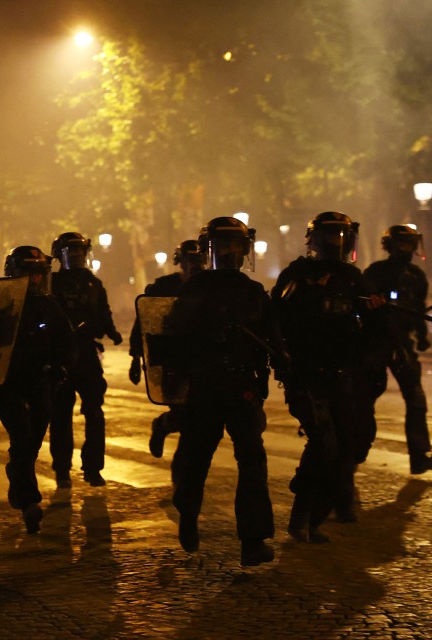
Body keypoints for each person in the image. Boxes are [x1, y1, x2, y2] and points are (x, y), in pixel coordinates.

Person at [154, 218, 281, 566]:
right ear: (211, 249)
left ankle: (253, 541)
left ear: (244, 249)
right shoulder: (193, 290)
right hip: (206, 388)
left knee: (252, 462)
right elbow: (173, 340)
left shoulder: (253, 291)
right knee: (196, 461)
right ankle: (188, 513)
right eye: (221, 245)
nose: (228, 253)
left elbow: (271, 337)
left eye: (234, 246)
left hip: (242, 388)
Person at [272, 211, 385, 543]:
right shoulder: (298, 276)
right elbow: (276, 321)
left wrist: (376, 314)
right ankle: (303, 516)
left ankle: (317, 508)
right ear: (315, 240)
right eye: (330, 236)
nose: (336, 243)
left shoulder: (353, 279)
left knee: (349, 444)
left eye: (341, 236)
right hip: (307, 375)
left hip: (342, 374)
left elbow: (373, 331)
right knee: (324, 443)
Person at [0, 246, 73, 534]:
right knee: (23, 437)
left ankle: (17, 473)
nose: (36, 281)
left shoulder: (50, 306)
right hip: (8, 384)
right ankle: (29, 502)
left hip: (41, 383)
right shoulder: (2, 304)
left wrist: (62, 365)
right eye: (31, 274)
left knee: (31, 443)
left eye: (40, 274)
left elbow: (65, 341)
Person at [363, 225, 432, 474]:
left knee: (416, 399)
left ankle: (419, 456)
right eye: (403, 244)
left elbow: (418, 309)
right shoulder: (375, 272)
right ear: (392, 246)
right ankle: (354, 450)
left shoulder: (417, 276)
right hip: (376, 343)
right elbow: (362, 308)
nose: (407, 250)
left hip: (403, 345)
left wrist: (421, 336)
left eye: (411, 245)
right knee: (365, 400)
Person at [48, 231, 123, 488]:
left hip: (87, 354)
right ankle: (62, 468)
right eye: (72, 253)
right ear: (60, 255)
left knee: (94, 411)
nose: (77, 258)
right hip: (60, 354)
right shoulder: (52, 284)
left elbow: (104, 311)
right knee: (60, 414)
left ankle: (93, 468)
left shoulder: (93, 284)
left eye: (80, 253)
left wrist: (112, 331)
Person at [128, 239, 205, 458]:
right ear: (181, 262)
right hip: (174, 360)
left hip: (203, 359)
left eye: (199, 259)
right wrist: (135, 357)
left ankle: (183, 474)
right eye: (191, 260)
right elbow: (144, 321)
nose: (196, 265)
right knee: (183, 414)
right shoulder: (164, 287)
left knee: (197, 418)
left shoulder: (210, 286)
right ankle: (164, 425)